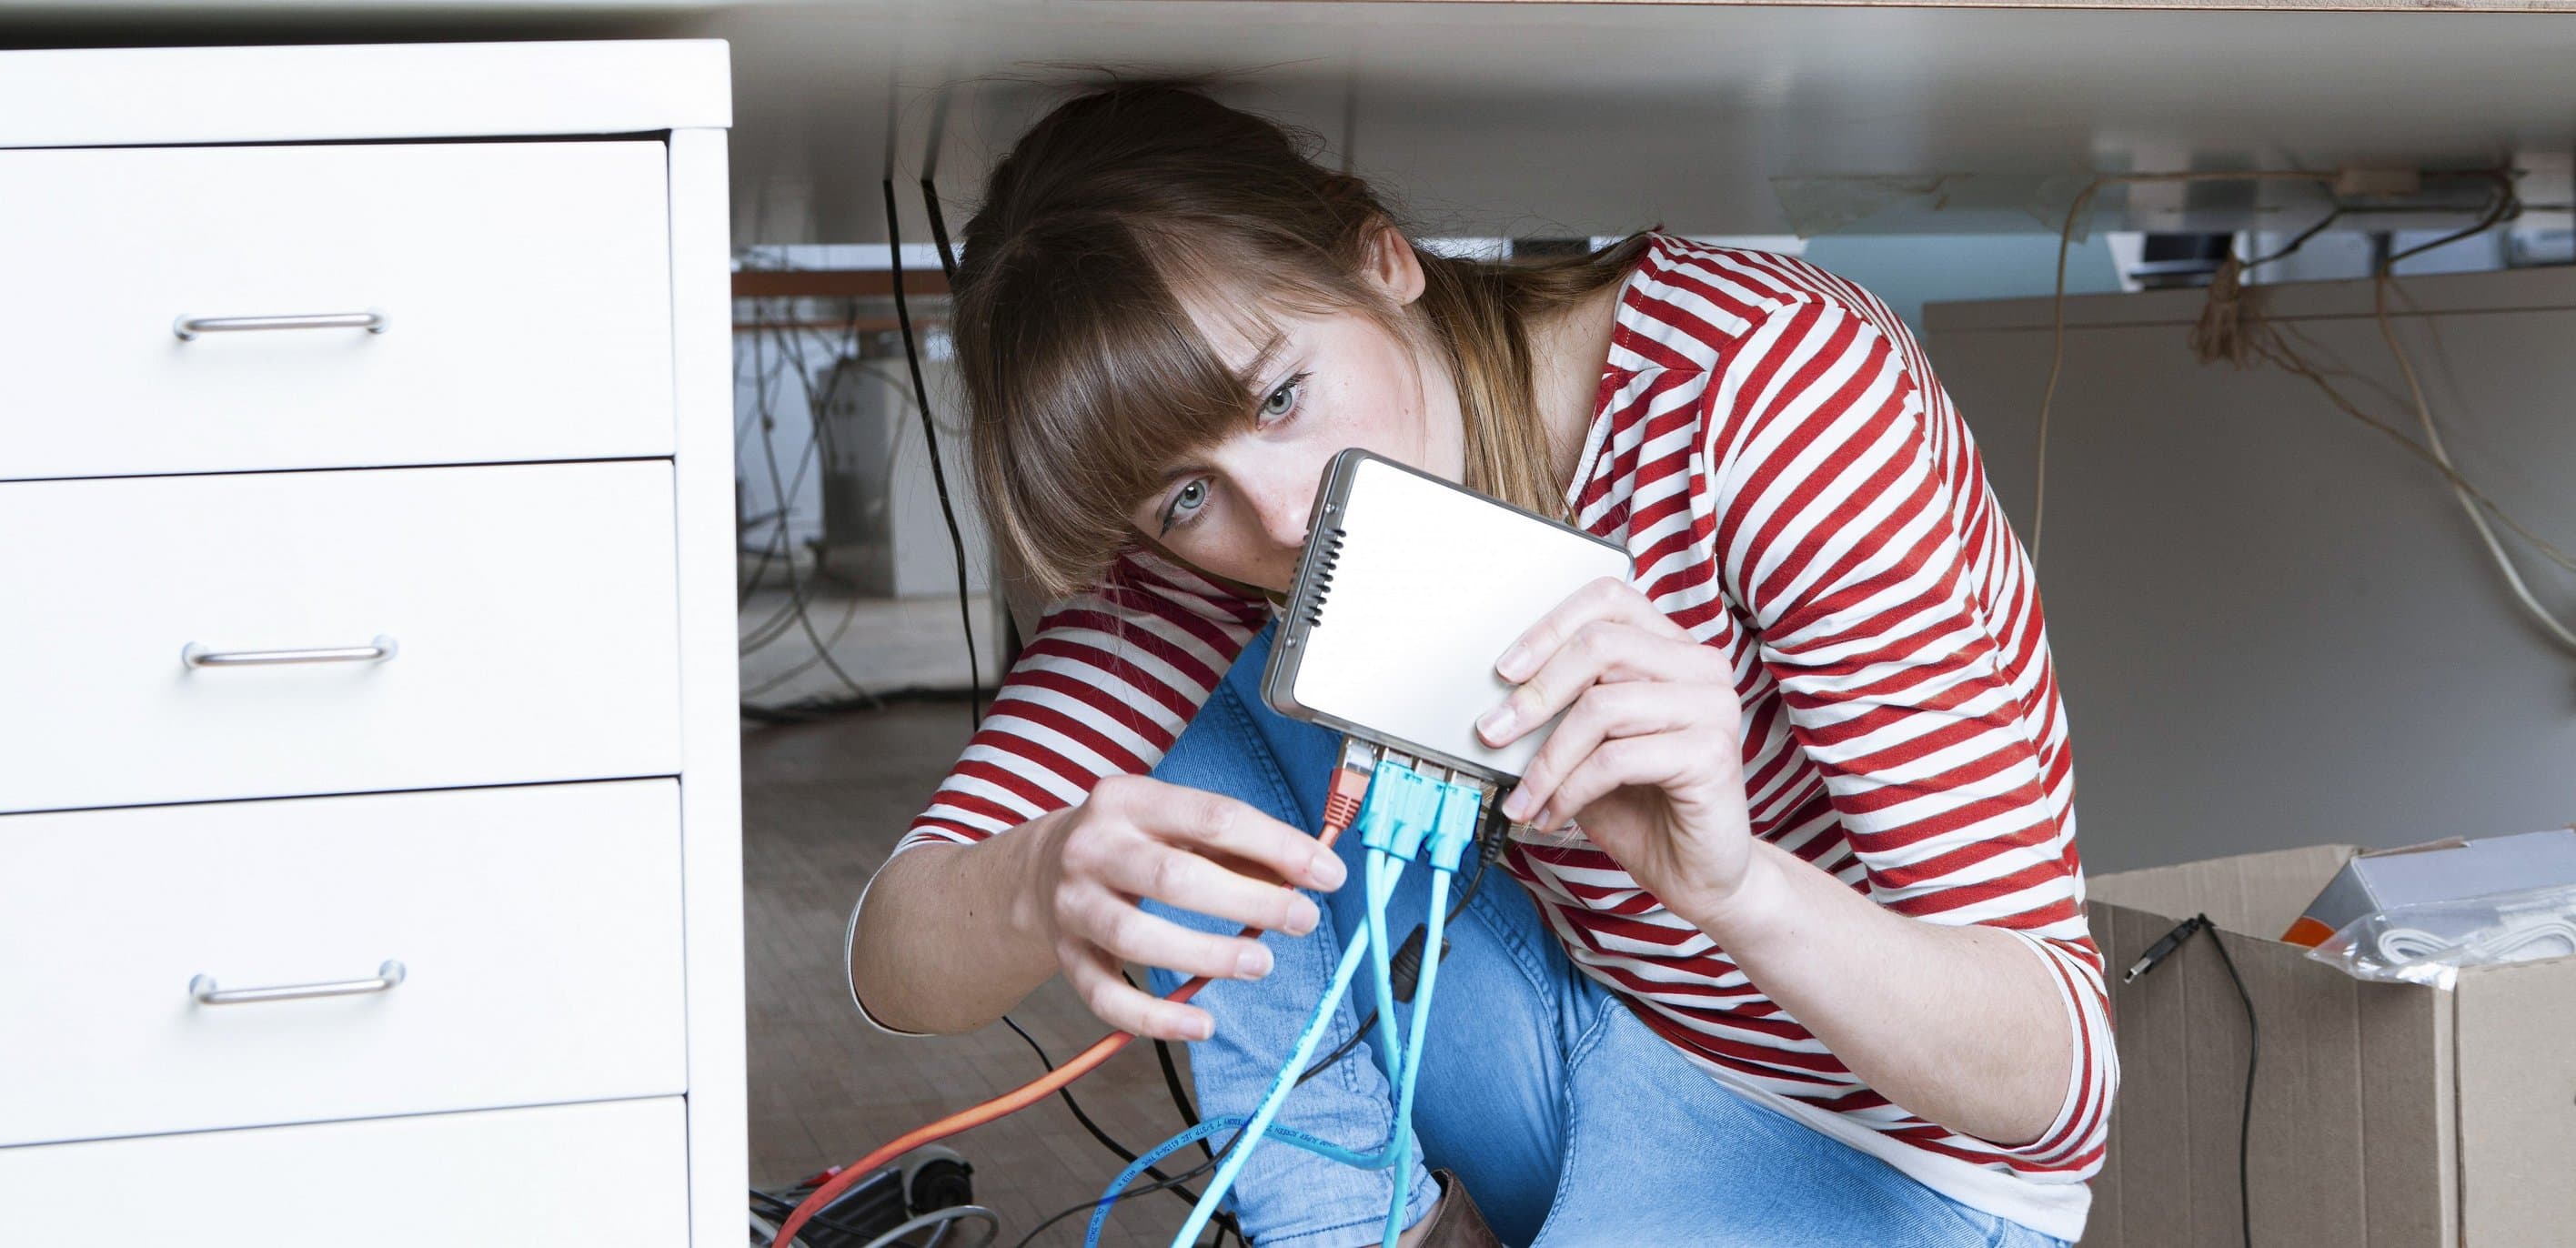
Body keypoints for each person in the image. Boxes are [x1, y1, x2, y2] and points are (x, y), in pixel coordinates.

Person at [848, 84, 2114, 1248]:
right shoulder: (1226, 547)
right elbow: (893, 952)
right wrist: (1042, 875)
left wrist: (1737, 891)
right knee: (1189, 757)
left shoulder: (1765, 399)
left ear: (1380, 257)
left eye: (1282, 396)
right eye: (1186, 495)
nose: (1282, 517)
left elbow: (2056, 1088)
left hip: (1879, 1152)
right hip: (1590, 1040)